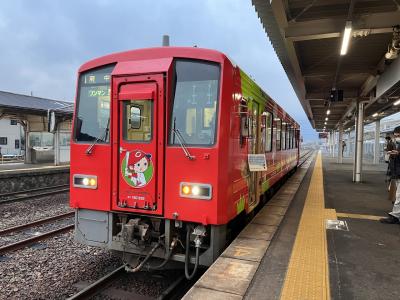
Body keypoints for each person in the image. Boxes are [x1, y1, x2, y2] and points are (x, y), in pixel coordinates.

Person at [380, 126, 400, 223]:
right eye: (395, 136)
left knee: (399, 196)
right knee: (397, 195)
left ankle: (395, 216)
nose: (396, 137)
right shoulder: (395, 144)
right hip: (396, 173)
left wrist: (398, 154)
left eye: (398, 135)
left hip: (398, 173)